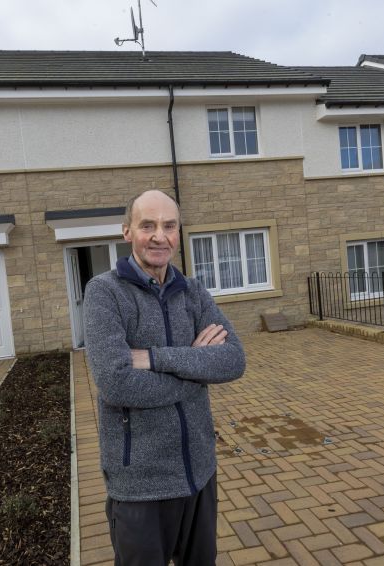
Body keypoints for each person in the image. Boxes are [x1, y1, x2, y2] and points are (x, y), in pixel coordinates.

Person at [83, 189, 246, 566]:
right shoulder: (104, 293)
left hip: (199, 472)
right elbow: (116, 383)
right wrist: (197, 368)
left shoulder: (193, 292)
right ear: (127, 232)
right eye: (148, 225)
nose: (160, 236)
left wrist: (156, 358)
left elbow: (234, 359)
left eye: (169, 226)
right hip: (140, 484)